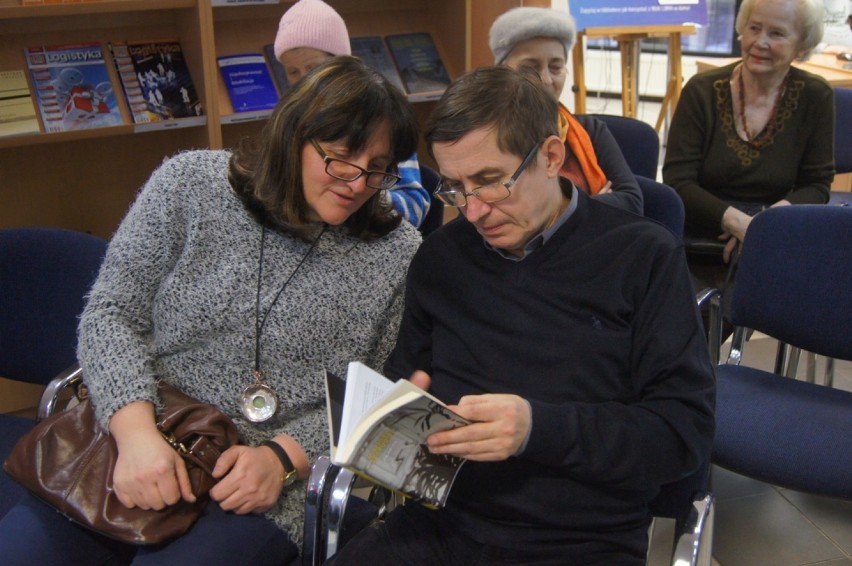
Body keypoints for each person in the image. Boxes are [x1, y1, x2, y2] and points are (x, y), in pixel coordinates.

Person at [0, 56, 421, 566]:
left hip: (261, 487)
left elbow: (380, 394)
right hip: (139, 434)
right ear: (292, 137)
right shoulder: (189, 185)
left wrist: (284, 458)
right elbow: (111, 314)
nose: (357, 183)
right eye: (340, 158)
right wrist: (135, 437)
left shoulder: (396, 252)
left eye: (377, 170)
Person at [328, 66, 715, 565]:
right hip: (444, 521)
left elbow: (682, 432)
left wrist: (536, 428)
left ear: (552, 157)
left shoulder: (643, 257)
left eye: (490, 182)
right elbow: (408, 381)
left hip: (582, 538)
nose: (472, 211)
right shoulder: (441, 258)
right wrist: (398, 414)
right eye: (454, 187)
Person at [663, 0, 833, 287]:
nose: (759, 42)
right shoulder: (701, 91)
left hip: (775, 231)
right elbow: (678, 180)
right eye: (754, 28)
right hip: (701, 230)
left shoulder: (816, 96)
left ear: (801, 46)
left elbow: (817, 185)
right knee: (690, 318)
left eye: (777, 33)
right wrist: (739, 224)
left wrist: (762, 226)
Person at [274, 0, 432, 228]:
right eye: (292, 71)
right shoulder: (292, 119)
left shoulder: (383, 121)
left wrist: (356, 200)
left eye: (313, 68)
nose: (305, 80)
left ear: (343, 64)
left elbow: (415, 205)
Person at [489, 6, 643, 214]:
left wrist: (559, 210)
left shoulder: (591, 130)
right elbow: (494, 208)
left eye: (555, 67)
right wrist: (592, 203)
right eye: (530, 68)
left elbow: (632, 202)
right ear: (502, 72)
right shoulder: (487, 136)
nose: (545, 79)